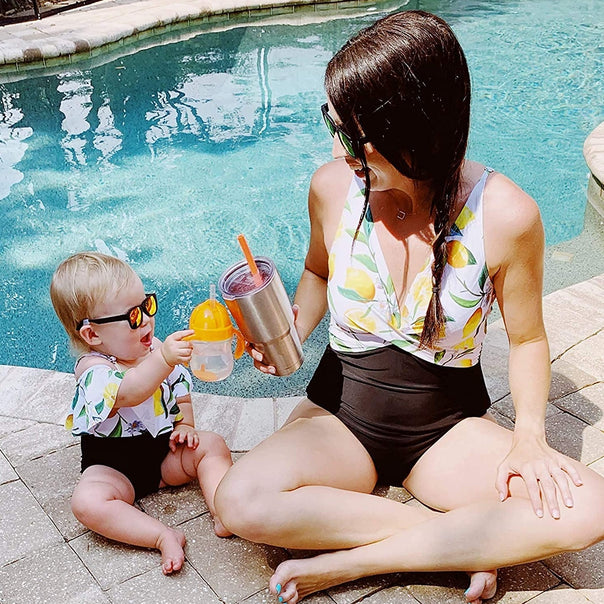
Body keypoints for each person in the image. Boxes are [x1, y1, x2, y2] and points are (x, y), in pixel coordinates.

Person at [214, 9, 604, 604]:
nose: (340, 146)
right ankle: (455, 544)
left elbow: (528, 340)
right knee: (239, 499)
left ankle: (350, 563)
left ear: (414, 131)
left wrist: (529, 436)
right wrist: (294, 324)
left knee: (588, 511)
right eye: (335, 125)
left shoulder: (506, 217)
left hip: (445, 432)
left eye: (352, 132)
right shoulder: (331, 188)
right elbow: (317, 272)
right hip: (340, 417)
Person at [50, 251, 233, 575]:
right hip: (113, 467)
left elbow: (180, 391)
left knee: (212, 444)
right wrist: (163, 358)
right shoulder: (93, 369)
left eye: (146, 306)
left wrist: (186, 425)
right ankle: (161, 535)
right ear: (93, 335)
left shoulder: (152, 349)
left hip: (164, 455)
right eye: (133, 316)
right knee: (87, 503)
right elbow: (132, 390)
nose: (147, 320)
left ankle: (226, 510)